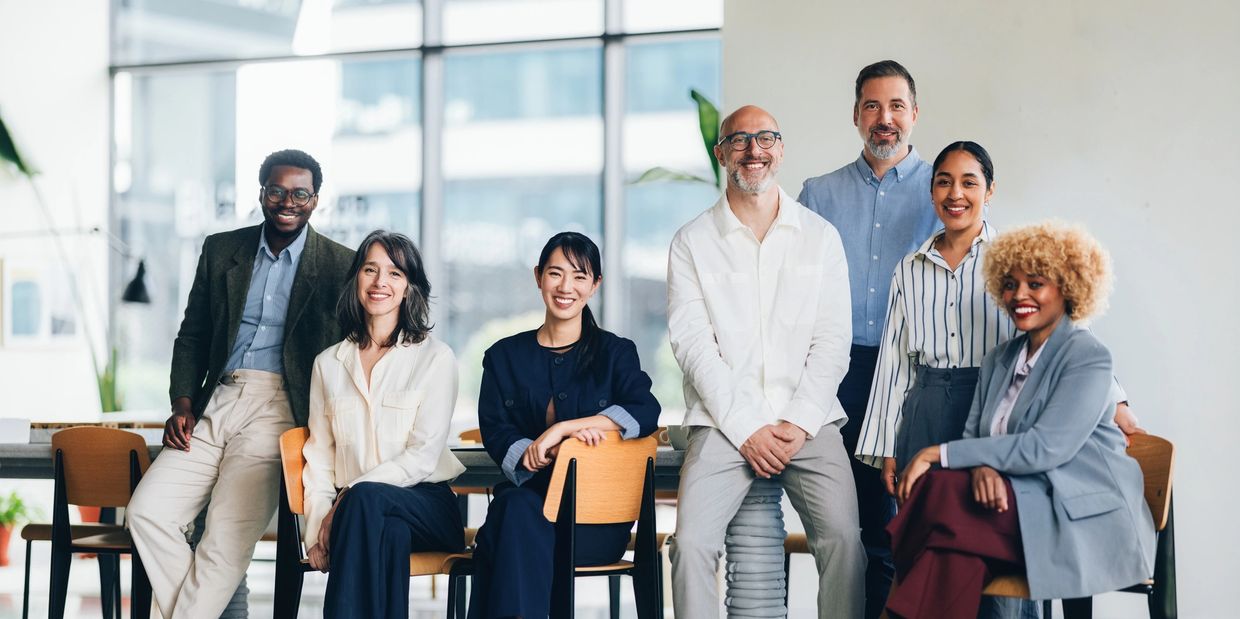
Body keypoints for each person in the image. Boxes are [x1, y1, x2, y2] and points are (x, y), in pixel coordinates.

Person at [885, 222, 1156, 619]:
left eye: (1036, 284)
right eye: (1010, 285)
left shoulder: (1088, 357)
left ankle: (890, 605)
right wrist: (983, 467)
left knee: (937, 488)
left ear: (1068, 287)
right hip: (1009, 505)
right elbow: (975, 436)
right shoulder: (1000, 359)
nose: (1019, 295)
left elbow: (1043, 448)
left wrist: (935, 454)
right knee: (949, 549)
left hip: (1073, 514)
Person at [128, 149, 356, 619]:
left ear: (315, 199)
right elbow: (192, 335)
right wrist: (182, 403)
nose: (287, 202)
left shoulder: (340, 265)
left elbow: (353, 351)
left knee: (226, 538)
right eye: (277, 191)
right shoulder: (221, 250)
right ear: (261, 193)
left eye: (300, 193)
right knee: (146, 513)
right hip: (215, 402)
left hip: (281, 407)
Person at [667, 105, 865, 618]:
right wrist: (747, 427)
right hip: (723, 422)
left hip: (810, 421)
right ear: (721, 153)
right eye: (740, 140)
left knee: (845, 541)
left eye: (766, 138)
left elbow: (833, 341)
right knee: (689, 545)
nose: (753, 150)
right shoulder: (691, 242)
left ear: (780, 149)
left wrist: (798, 422)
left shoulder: (820, 237)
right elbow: (693, 347)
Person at [793, 59, 938, 617]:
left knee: (915, 526)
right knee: (853, 526)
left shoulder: (944, 188)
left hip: (917, 375)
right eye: (872, 106)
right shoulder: (818, 195)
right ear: (856, 115)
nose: (885, 118)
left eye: (896, 106)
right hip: (840, 372)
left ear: (914, 114)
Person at [469, 231, 660, 618]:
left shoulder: (616, 354)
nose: (565, 287)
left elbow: (646, 411)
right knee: (516, 512)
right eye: (555, 273)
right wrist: (534, 452)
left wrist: (564, 431)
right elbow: (496, 429)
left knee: (506, 526)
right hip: (528, 508)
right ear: (538, 276)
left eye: (579, 275)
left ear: (595, 284)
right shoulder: (504, 357)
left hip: (595, 525)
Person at [301, 230, 466, 618]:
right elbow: (319, 459)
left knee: (365, 500)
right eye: (370, 269)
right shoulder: (328, 365)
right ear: (356, 279)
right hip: (360, 516)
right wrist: (317, 529)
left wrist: (347, 496)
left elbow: (422, 458)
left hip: (426, 506)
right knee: (388, 534)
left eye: (395, 273)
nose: (380, 282)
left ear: (409, 287)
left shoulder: (435, 359)